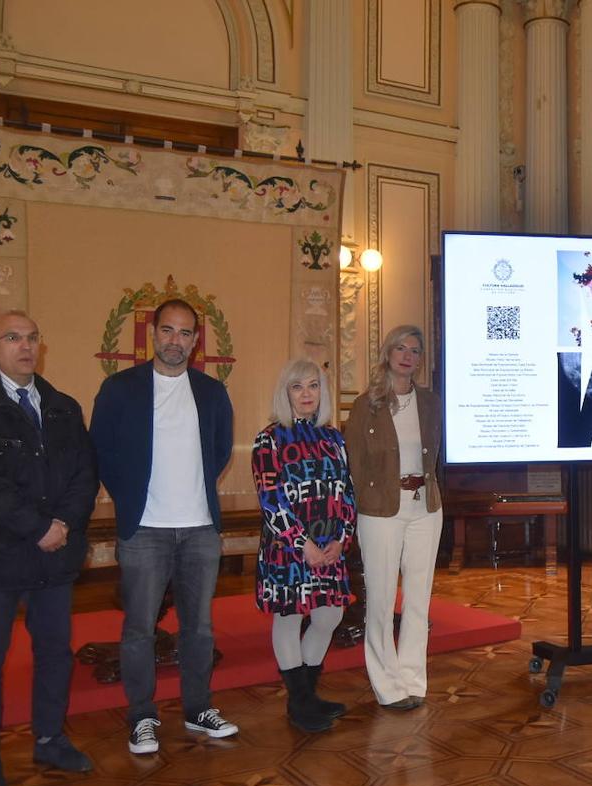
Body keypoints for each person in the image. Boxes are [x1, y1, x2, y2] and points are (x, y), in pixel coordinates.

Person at [0, 311, 98, 786]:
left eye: (32, 337)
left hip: (53, 557)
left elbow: (83, 475)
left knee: (54, 652)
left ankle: (49, 738)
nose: (24, 346)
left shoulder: (63, 407)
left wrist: (63, 526)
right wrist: (37, 528)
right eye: (12, 338)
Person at [90, 298, 236, 753]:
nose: (176, 341)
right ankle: (142, 716)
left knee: (200, 628)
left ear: (196, 341)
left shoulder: (212, 392)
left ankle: (198, 708)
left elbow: (221, 449)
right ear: (153, 334)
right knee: (138, 628)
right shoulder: (119, 389)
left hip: (199, 529)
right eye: (168, 331)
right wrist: (131, 498)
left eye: (185, 333)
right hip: (145, 530)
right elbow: (103, 452)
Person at [251, 360, 356, 730]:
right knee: (290, 616)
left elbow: (347, 492)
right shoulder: (269, 438)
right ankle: (300, 702)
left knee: (330, 615)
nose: (307, 394)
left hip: (330, 546)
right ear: (286, 392)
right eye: (298, 387)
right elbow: (270, 497)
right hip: (288, 547)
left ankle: (306, 697)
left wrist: (342, 538)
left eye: (313, 386)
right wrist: (301, 543)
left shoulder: (334, 438)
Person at [345, 325, 443, 709]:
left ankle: (413, 679)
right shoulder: (365, 404)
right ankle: (386, 683)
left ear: (420, 360)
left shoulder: (431, 402)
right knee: (382, 600)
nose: (408, 355)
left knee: (419, 599)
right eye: (400, 348)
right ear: (388, 353)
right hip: (381, 510)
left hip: (426, 508)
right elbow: (354, 462)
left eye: (415, 350)